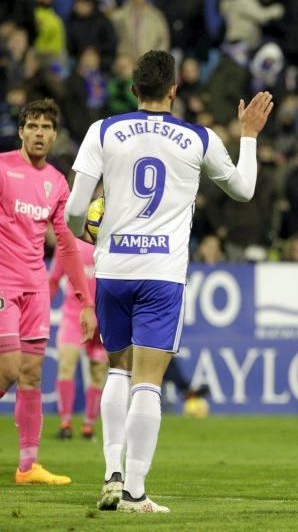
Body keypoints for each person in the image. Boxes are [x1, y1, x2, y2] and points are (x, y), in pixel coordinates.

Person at [64, 50, 274, 513]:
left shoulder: (104, 131)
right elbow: (244, 189)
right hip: (162, 274)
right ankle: (136, 492)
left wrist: (87, 231)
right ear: (174, 90)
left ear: (134, 89)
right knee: (149, 381)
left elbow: (75, 208)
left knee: (117, 368)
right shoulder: (197, 138)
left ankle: (111, 474)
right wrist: (250, 137)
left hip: (114, 269)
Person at [0, 98, 97, 485]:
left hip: (36, 287)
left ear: (55, 136)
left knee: (31, 375)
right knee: (7, 370)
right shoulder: (3, 168)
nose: (39, 133)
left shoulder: (56, 182)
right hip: (3, 283)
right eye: (32, 126)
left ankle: (28, 466)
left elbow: (69, 246)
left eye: (46, 128)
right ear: (21, 131)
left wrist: (85, 301)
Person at [49, 234, 107, 441]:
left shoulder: (107, 242)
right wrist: (40, 312)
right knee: (66, 364)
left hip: (101, 318)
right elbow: (54, 279)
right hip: (73, 317)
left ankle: (88, 425)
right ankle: (65, 423)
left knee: (98, 373)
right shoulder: (67, 243)